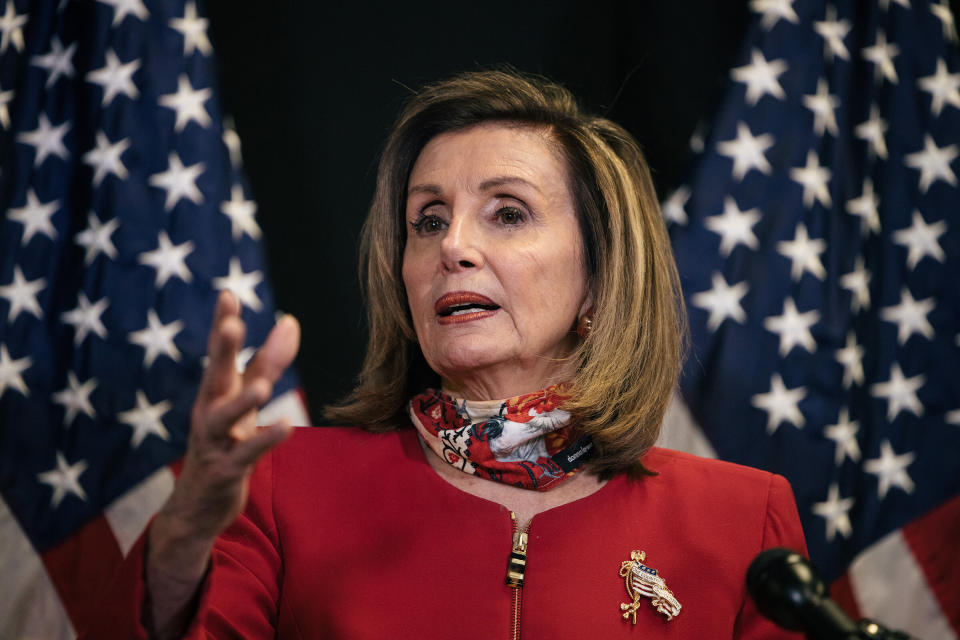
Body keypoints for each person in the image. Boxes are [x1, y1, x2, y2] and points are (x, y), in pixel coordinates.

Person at [87, 70, 807, 639]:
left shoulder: (742, 520)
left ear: (600, 275)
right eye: (427, 220)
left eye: (508, 213)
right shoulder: (283, 489)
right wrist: (184, 529)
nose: (452, 247)